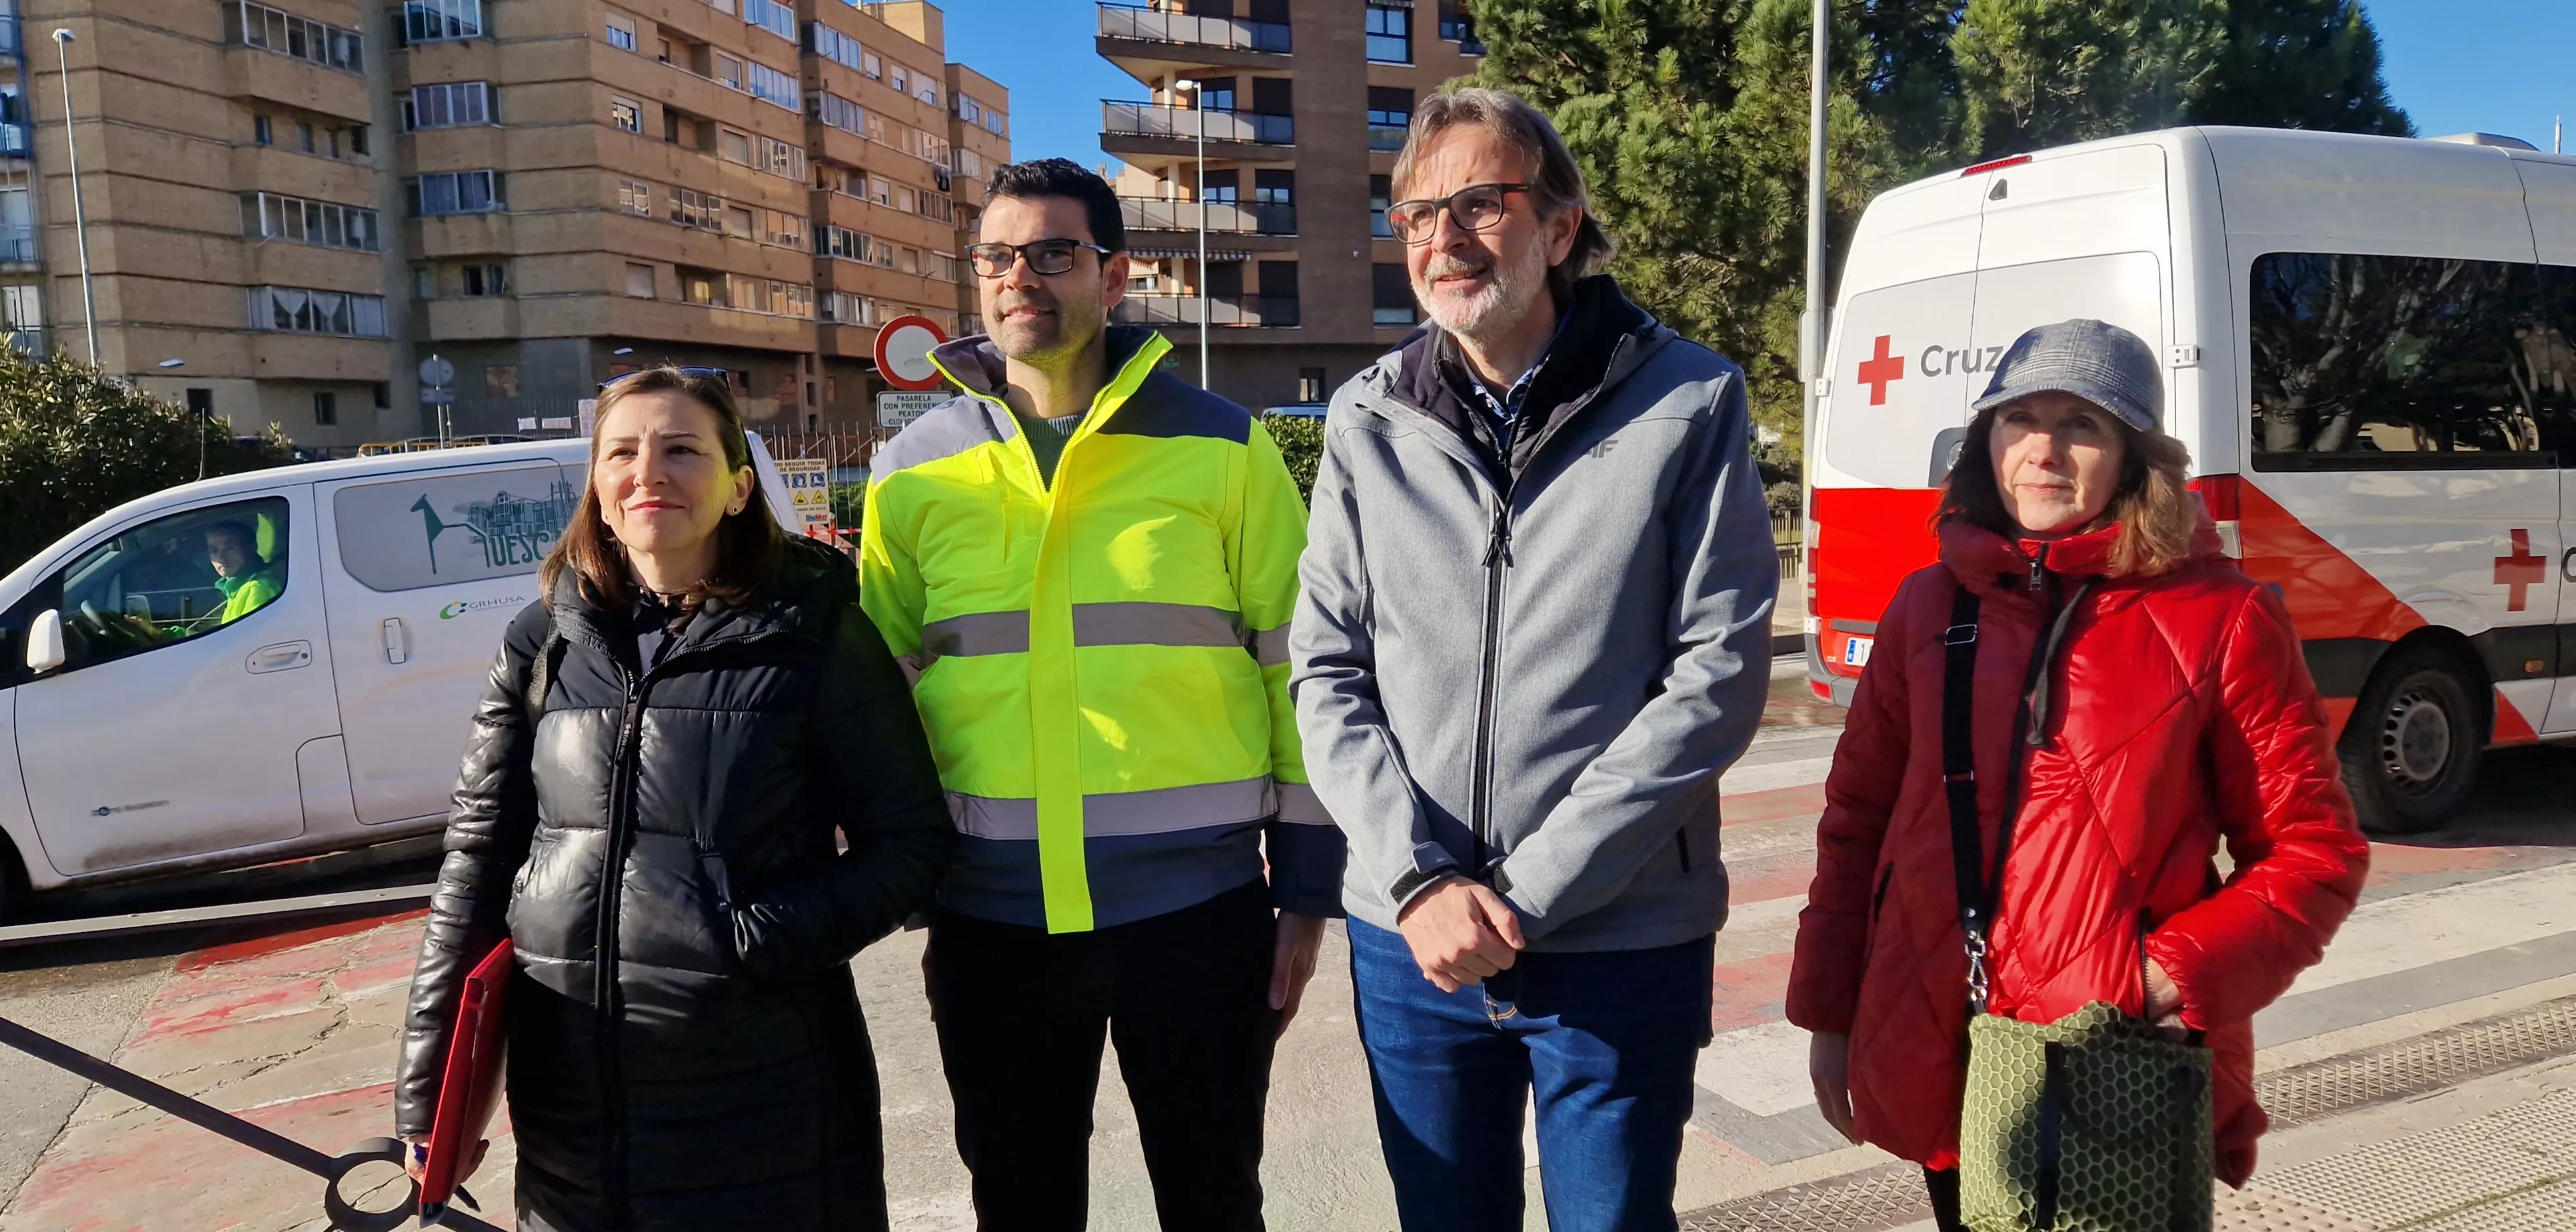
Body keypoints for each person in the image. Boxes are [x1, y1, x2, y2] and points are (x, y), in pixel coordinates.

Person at [1291, 87, 1777, 1231]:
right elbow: (1328, 670)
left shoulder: (1689, 395)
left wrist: (1522, 892)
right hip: (1411, 939)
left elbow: (1713, 678)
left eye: (1480, 202)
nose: (1444, 238)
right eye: (1417, 214)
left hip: (1616, 935)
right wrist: (1419, 882)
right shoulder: (1368, 415)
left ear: (1561, 228)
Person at [1784, 319, 2370, 1229]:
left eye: (2083, 424)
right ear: (1988, 441)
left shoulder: (2224, 618)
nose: (2044, 449)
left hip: (2113, 1063)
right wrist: (1830, 1014)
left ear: (2136, 457)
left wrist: (2159, 977)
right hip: (1942, 1041)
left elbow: (2314, 854)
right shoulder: (1926, 605)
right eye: (2020, 417)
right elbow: (1858, 820)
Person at [857, 158, 1336, 1231]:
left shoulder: (1223, 448)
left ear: (1116, 276)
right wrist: (897, 875)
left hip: (1198, 918)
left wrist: (1305, 889)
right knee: (1021, 1208)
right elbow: (875, 695)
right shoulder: (914, 470)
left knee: (1214, 1200)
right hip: (991, 925)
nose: (1020, 276)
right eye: (997, 256)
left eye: (1053, 254)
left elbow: (1296, 669)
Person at [394, 367, 954, 1231]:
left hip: (759, 1101)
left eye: (681, 449)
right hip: (569, 1106)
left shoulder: (814, 632)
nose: (648, 471)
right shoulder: (545, 639)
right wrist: (431, 1098)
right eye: (623, 452)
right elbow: (476, 862)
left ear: (737, 490)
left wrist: (744, 942)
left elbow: (911, 845)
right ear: (598, 488)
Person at [199, 520, 281, 626]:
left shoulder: (257, 588)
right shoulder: (235, 590)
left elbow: (250, 637)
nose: (221, 558)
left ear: (251, 549)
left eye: (230, 548)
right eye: (214, 551)